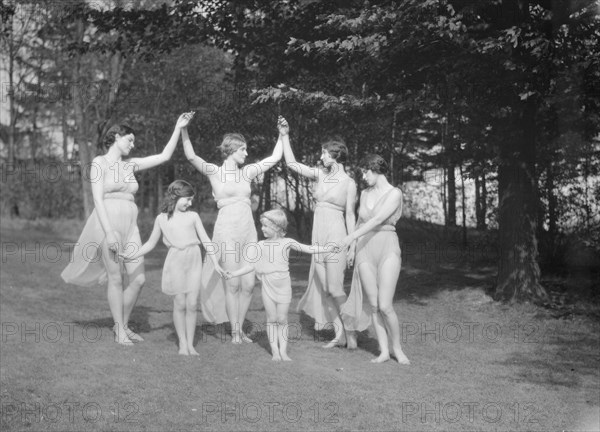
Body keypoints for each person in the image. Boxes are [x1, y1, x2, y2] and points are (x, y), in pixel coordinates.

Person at [61, 112, 194, 345]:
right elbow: (98, 200)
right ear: (115, 137)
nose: (133, 145)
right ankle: (121, 329)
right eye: (129, 140)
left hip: (130, 226)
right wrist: (109, 233)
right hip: (108, 224)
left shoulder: (131, 165)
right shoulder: (99, 163)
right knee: (116, 278)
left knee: (139, 279)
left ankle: (120, 324)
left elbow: (164, 156)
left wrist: (178, 127)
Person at [182, 117, 286, 344]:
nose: (246, 153)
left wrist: (282, 134)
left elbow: (275, 157)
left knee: (248, 284)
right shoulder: (214, 172)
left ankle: (239, 328)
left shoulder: (247, 172)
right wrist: (183, 130)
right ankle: (236, 332)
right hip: (227, 231)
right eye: (243, 149)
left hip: (248, 230)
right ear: (230, 150)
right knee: (233, 282)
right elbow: (191, 156)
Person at [120, 180, 225, 355]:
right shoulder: (161, 219)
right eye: (187, 199)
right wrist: (132, 254)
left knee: (192, 304)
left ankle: (191, 344)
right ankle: (183, 344)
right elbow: (150, 244)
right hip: (175, 261)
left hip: (193, 259)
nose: (190, 203)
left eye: (191, 200)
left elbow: (206, 240)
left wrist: (215, 263)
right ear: (176, 196)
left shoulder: (193, 216)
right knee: (180, 302)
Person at [225, 209, 335, 361]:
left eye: (265, 226)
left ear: (277, 227)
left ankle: (284, 351)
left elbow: (308, 248)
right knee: (271, 318)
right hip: (268, 286)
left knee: (282, 318)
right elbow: (251, 266)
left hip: (283, 287)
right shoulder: (260, 245)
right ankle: (275, 352)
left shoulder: (287, 242)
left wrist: (328, 248)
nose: (262, 228)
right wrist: (234, 274)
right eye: (262, 225)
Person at [283, 133, 357, 348]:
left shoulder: (349, 183)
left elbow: (350, 214)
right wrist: (285, 135)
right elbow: (292, 163)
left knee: (335, 289)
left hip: (336, 234)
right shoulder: (320, 175)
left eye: (324, 153)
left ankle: (351, 333)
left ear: (335, 155)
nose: (321, 157)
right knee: (325, 289)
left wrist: (352, 245)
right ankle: (340, 335)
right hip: (318, 235)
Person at [338, 154, 410, 364]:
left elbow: (379, 219)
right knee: (374, 305)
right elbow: (361, 221)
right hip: (364, 248)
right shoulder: (364, 193)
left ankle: (397, 348)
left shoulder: (394, 193)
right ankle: (384, 351)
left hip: (387, 245)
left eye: (365, 171)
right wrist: (352, 247)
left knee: (386, 305)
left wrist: (351, 236)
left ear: (374, 170)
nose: (363, 176)